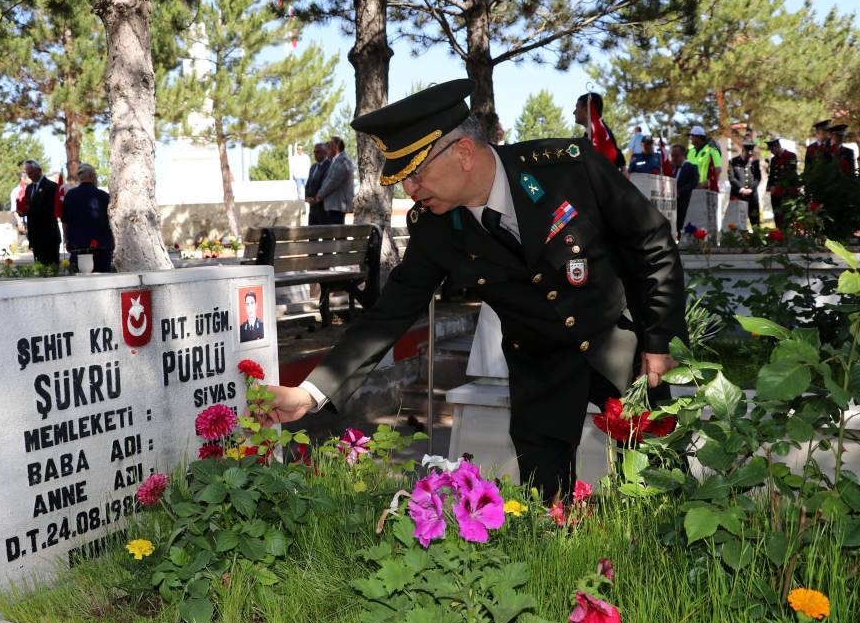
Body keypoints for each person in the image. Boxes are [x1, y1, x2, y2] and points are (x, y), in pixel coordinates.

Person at [264, 79, 686, 503]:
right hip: (540, 369)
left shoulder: (566, 168)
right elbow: (387, 315)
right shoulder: (435, 228)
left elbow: (650, 243)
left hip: (623, 348)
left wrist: (659, 339)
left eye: (415, 173)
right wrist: (311, 392)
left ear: (463, 152)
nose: (409, 189)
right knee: (547, 507)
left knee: (663, 486)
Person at [61, 163, 113, 273]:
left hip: (78, 247)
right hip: (102, 247)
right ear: (91, 176)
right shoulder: (104, 196)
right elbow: (111, 221)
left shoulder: (70, 195)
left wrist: (66, 239)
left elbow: (65, 221)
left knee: (79, 284)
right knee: (103, 281)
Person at [574, 93, 626, 170]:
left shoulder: (601, 136)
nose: (574, 112)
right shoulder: (592, 135)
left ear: (586, 110)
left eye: (576, 107)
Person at [23, 160, 61, 265]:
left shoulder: (51, 186)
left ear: (39, 171)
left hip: (49, 236)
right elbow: (27, 207)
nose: (29, 176)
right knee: (39, 270)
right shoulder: (29, 188)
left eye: (31, 173)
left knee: (52, 269)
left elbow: (50, 210)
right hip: (35, 236)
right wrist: (23, 211)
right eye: (27, 173)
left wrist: (30, 211)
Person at [313, 136, 354, 224]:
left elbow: (332, 182)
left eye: (330, 146)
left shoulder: (342, 161)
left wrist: (319, 196)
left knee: (338, 234)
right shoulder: (336, 161)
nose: (327, 149)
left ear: (335, 147)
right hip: (334, 205)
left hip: (337, 205)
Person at [766, 137, 798, 230]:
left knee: (787, 217)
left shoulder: (791, 156)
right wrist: (770, 186)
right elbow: (771, 175)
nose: (771, 152)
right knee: (777, 215)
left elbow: (792, 174)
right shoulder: (773, 160)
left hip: (786, 192)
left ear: (777, 146)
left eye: (772, 149)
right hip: (776, 193)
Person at [728, 141, 762, 226]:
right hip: (738, 195)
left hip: (752, 196)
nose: (749, 156)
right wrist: (741, 189)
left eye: (750, 154)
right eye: (747, 154)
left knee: (755, 222)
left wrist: (750, 190)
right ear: (743, 150)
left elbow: (758, 178)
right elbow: (731, 178)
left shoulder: (755, 163)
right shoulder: (733, 161)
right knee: (736, 223)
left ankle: (756, 238)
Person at [670, 144, 699, 237]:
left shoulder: (692, 168)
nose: (674, 158)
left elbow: (693, 183)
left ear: (683, 155)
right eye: (672, 156)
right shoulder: (671, 168)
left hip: (685, 205)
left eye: (676, 156)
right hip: (671, 207)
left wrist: (679, 192)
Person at [686, 126, 722, 191]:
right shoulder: (690, 152)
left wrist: (706, 183)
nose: (690, 138)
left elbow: (718, 170)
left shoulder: (712, 149)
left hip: (706, 189)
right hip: (691, 189)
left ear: (699, 137)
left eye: (692, 136)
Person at [304, 142, 331, 225]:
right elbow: (308, 184)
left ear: (325, 152)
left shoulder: (330, 165)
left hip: (324, 207)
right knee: (311, 235)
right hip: (312, 208)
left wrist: (317, 199)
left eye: (318, 152)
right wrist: (307, 197)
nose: (315, 154)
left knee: (326, 235)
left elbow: (327, 185)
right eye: (314, 152)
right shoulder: (313, 167)